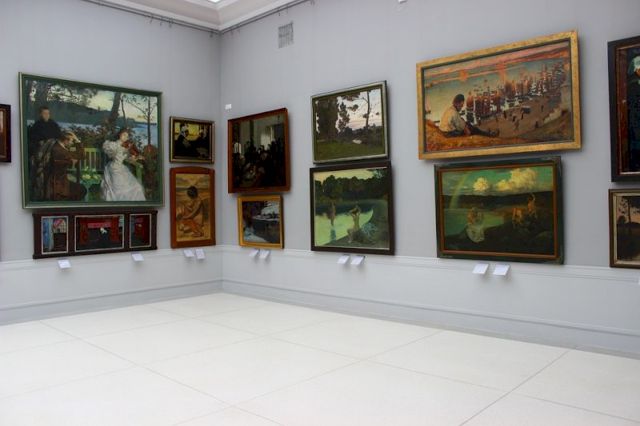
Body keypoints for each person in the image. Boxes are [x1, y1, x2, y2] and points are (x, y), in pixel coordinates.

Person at [101, 129, 146, 201]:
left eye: (127, 136)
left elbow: (128, 160)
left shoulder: (127, 147)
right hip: (114, 168)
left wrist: (137, 157)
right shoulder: (114, 144)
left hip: (121, 168)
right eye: (124, 135)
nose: (125, 137)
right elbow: (112, 154)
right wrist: (122, 149)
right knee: (120, 190)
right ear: (120, 135)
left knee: (137, 187)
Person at [49, 131, 86, 201]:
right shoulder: (60, 150)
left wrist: (71, 161)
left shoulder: (58, 147)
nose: (72, 143)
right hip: (58, 187)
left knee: (80, 188)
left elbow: (77, 156)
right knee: (82, 189)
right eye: (72, 141)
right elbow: (82, 155)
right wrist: (77, 140)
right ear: (66, 140)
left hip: (59, 182)